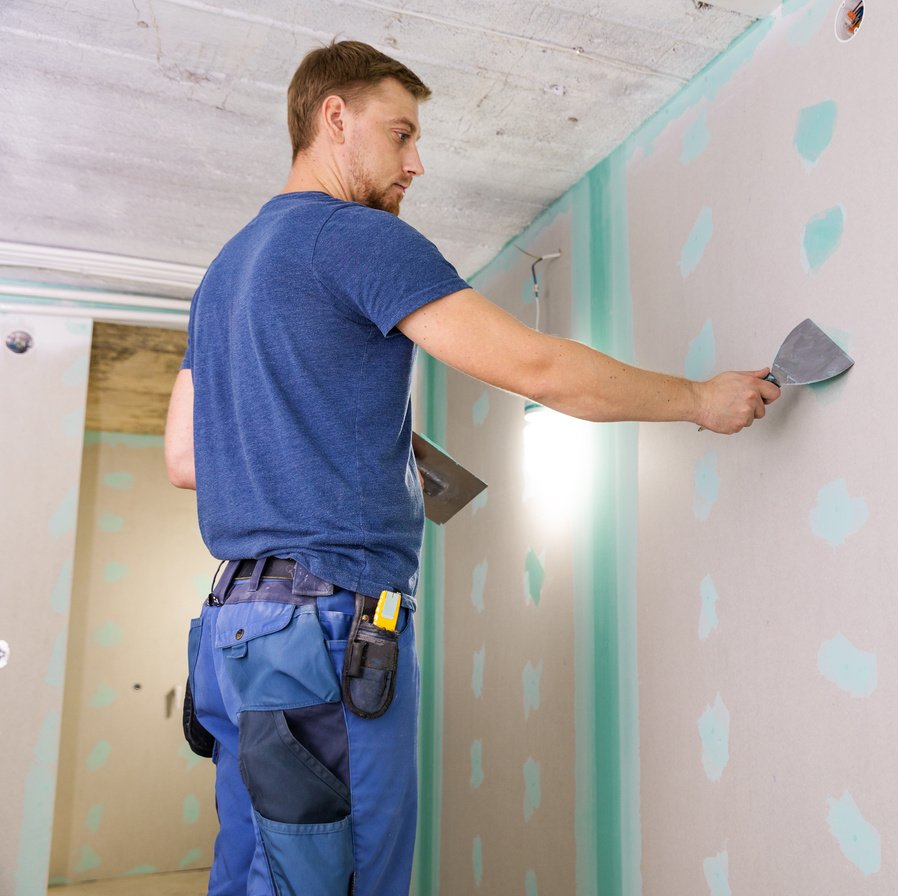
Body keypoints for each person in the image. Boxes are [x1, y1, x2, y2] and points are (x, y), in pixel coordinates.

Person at [163, 39, 778, 896]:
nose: (417, 162)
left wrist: (340, 436)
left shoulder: (221, 275)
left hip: (230, 633)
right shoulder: (355, 238)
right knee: (338, 881)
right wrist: (701, 400)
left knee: (256, 874)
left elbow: (188, 459)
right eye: (401, 133)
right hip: (322, 631)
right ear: (332, 117)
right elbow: (539, 370)